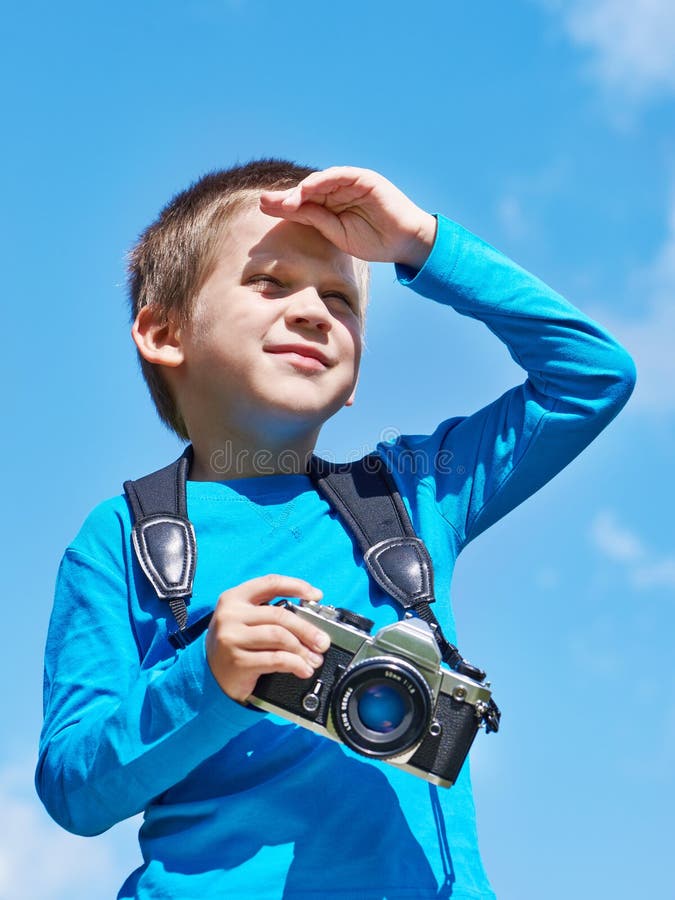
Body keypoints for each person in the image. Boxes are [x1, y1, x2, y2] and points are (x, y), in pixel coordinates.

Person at [36, 161, 636, 899]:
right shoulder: (123, 537)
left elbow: (591, 377)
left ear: (352, 383)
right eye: (271, 283)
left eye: (340, 299)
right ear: (164, 332)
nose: (315, 312)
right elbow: (73, 789)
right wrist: (210, 677)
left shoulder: (413, 496)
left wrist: (421, 243)